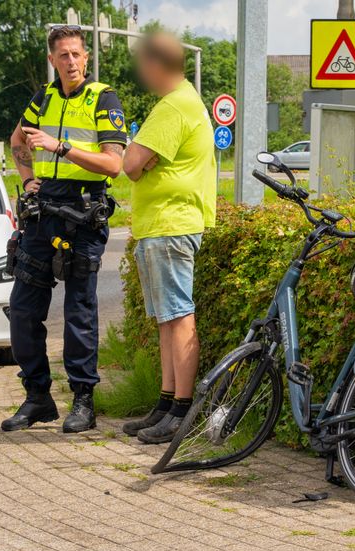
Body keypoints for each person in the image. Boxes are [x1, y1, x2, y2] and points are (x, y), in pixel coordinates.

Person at [1, 25, 127, 434]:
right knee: (22, 311)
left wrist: (60, 147)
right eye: (63, 55)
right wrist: (26, 177)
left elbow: (113, 164)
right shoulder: (44, 96)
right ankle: (37, 397)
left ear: (86, 58)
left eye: (76, 54)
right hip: (43, 212)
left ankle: (83, 402)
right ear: (52, 60)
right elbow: (17, 140)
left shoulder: (102, 98)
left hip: (83, 213)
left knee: (79, 314)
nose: (70, 62)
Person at [120, 31, 216, 444]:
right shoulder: (184, 102)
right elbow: (140, 162)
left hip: (170, 225)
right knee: (167, 320)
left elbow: (130, 163)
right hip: (163, 226)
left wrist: (140, 157)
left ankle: (182, 410)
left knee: (178, 317)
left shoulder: (173, 107)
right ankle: (165, 403)